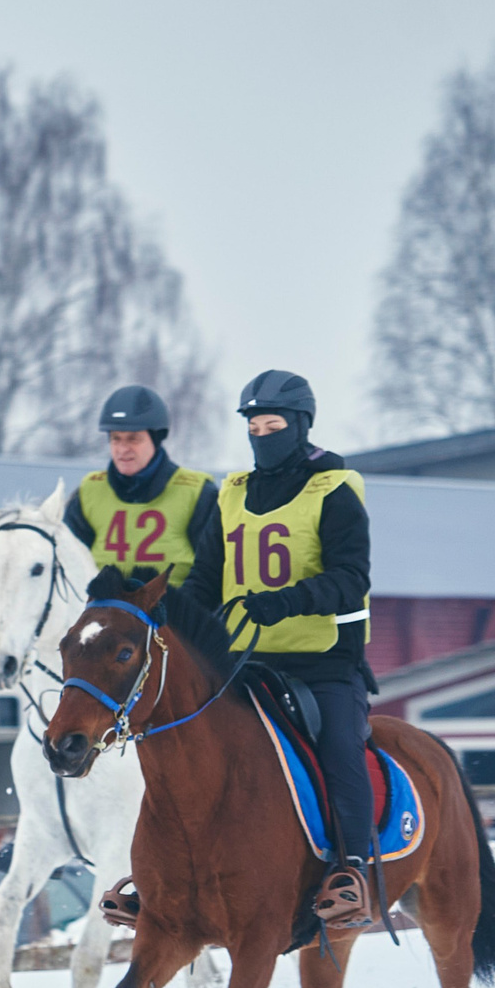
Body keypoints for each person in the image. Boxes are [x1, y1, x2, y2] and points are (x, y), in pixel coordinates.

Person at [184, 369, 379, 930]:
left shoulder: (335, 488)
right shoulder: (233, 493)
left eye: (273, 425)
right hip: (244, 661)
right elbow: (204, 580)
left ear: (300, 426)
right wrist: (164, 614)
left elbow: (350, 577)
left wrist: (284, 602)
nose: (262, 434)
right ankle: (165, 872)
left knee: (340, 745)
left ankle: (351, 871)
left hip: (323, 662)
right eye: (254, 425)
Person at [62, 384, 219, 593]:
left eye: (133, 439)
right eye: (115, 438)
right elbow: (66, 562)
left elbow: (211, 573)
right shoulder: (90, 490)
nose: (122, 449)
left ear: (155, 439)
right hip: (101, 616)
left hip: (171, 618)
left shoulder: (197, 493)